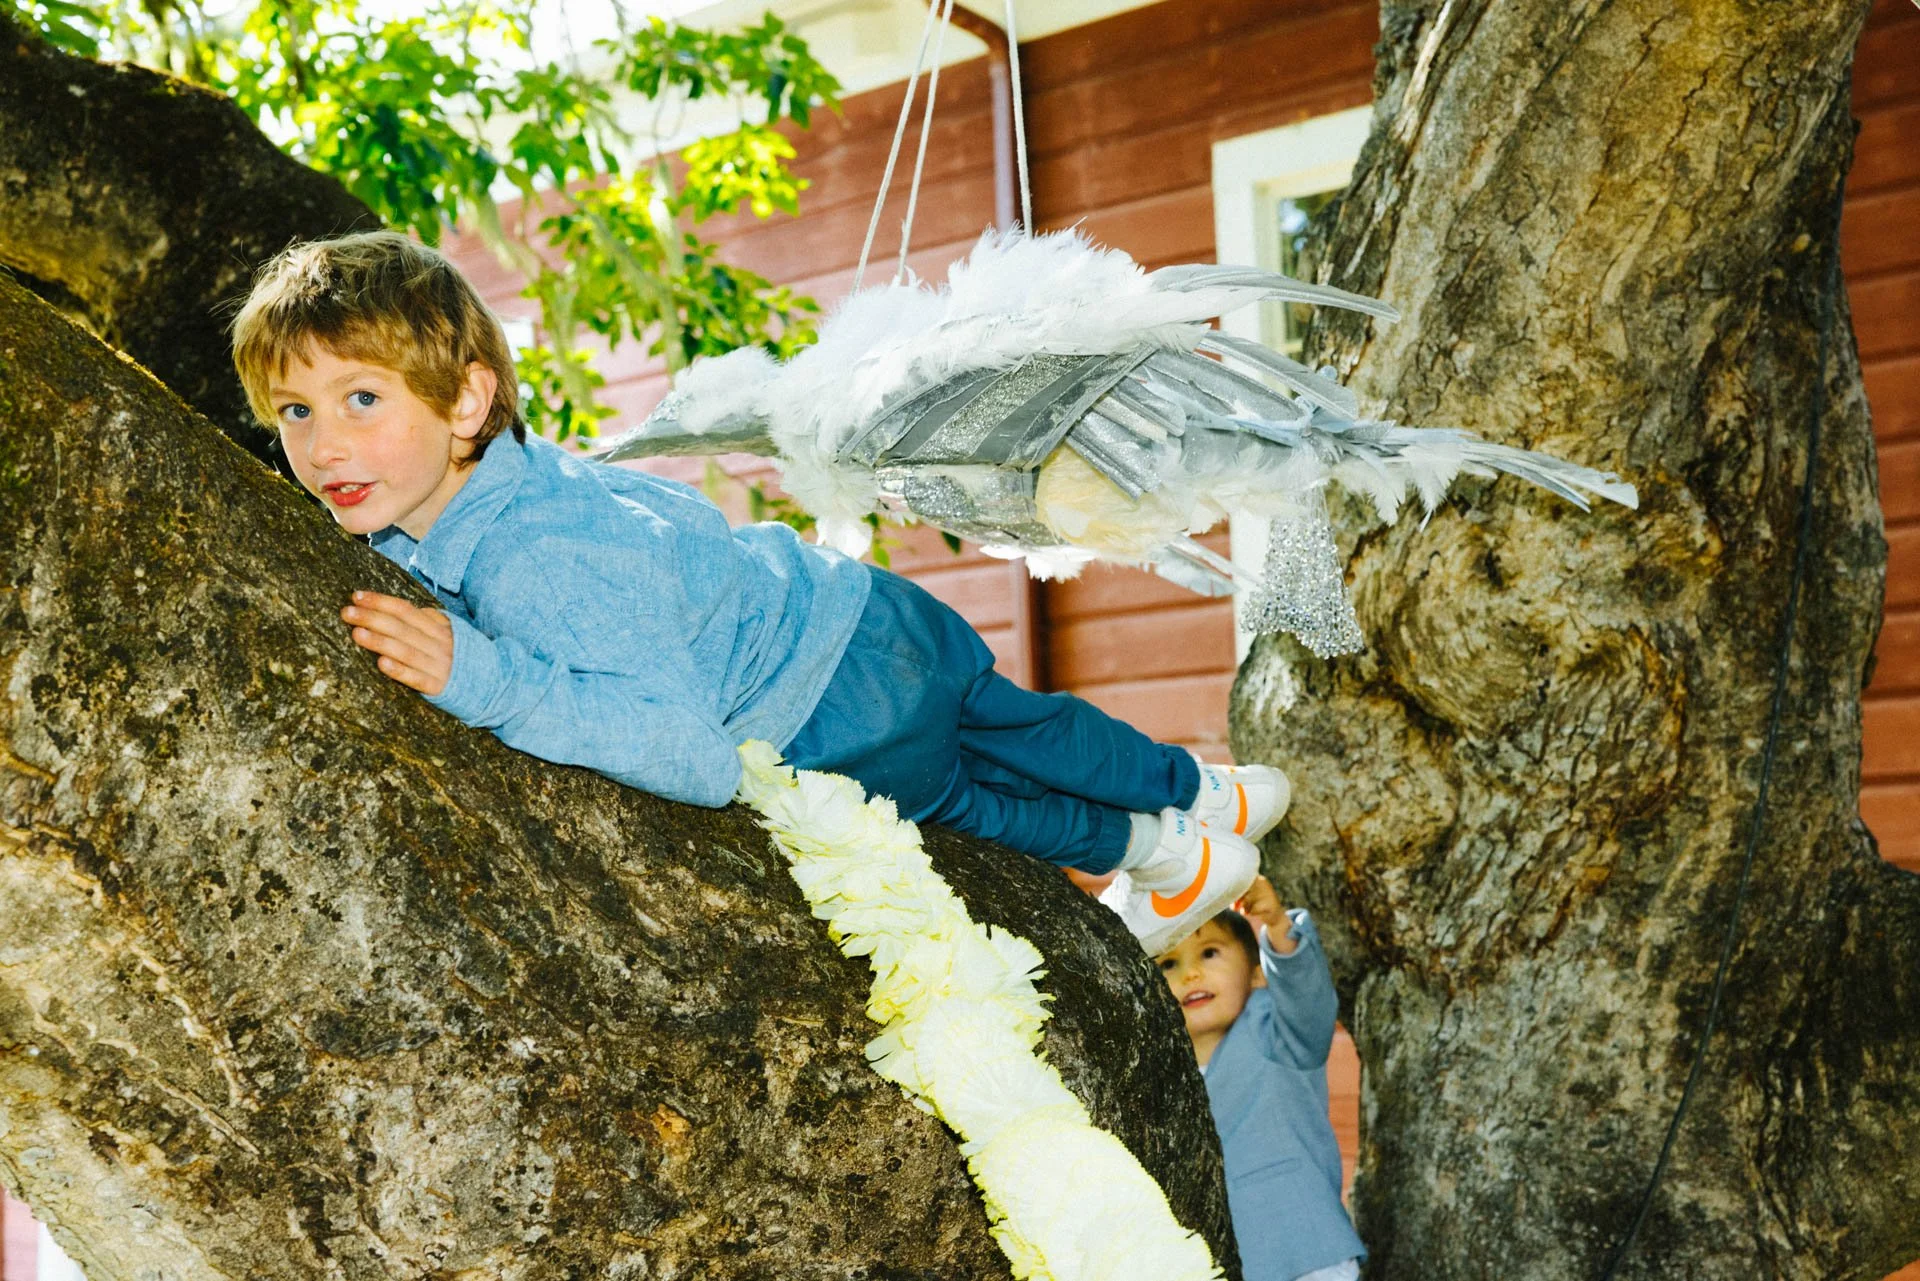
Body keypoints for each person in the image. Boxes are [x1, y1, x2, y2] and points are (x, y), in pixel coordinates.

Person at [229, 230, 1291, 952]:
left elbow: (687, 755)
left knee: (974, 799)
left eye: (360, 398)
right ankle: (1206, 791)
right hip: (861, 608)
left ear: (466, 401)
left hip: (829, 722)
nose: (325, 445)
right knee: (1015, 720)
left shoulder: (525, 556)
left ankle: (1163, 854)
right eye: (294, 413)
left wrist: (485, 678)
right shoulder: (524, 484)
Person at [1157, 876, 1365, 1281]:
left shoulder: (1277, 1033)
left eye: (1210, 952)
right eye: (1169, 964)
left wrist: (1276, 926)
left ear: (1256, 974)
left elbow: (1308, 999)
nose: (1191, 974)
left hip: (1306, 1251)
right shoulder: (1158, 1075)